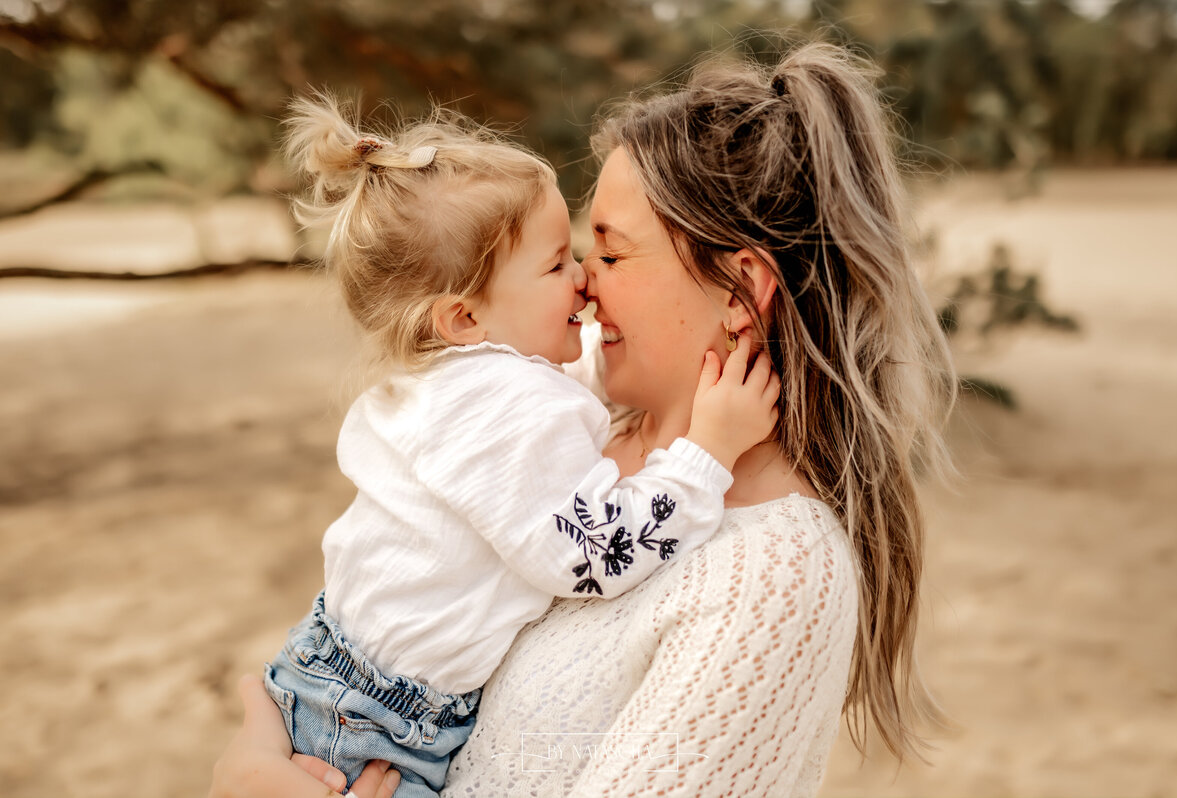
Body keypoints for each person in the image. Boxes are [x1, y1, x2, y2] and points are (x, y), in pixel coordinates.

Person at [210, 41, 955, 798]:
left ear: (739, 290)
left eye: (609, 253)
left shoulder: (771, 578)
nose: (584, 287)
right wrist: (245, 770)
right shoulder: (575, 425)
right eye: (569, 256)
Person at [257, 96, 780, 797]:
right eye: (558, 262)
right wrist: (704, 455)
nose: (583, 279)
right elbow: (592, 554)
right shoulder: (504, 408)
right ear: (466, 316)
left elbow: (558, 393)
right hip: (374, 730)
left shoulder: (462, 380)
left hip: (338, 686)